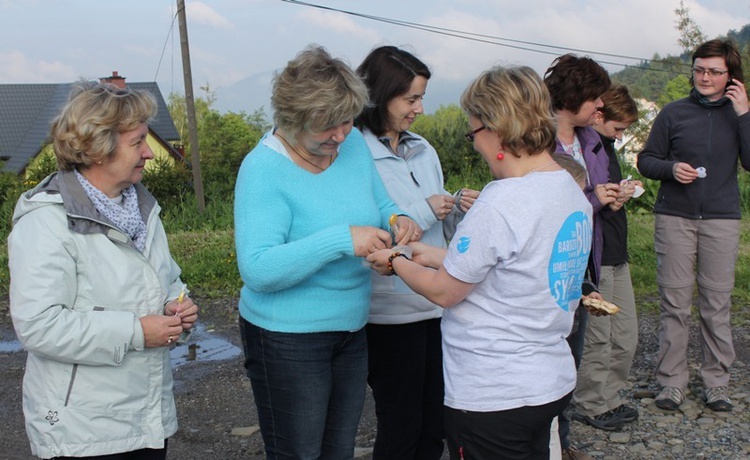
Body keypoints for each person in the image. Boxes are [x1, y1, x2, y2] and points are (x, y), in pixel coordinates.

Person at [367, 65, 593, 460]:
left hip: (494, 395)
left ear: (496, 128)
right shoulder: (569, 188)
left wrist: (398, 260)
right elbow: (516, 265)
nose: (474, 144)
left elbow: (444, 291)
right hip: (549, 380)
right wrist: (433, 255)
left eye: (473, 132)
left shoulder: (501, 200)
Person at [234, 45, 419, 459]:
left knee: (337, 450)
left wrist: (397, 221)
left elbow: (382, 204)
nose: (340, 135)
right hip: (287, 339)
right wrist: (341, 240)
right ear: (291, 119)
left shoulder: (351, 146)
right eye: (326, 126)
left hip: (351, 329)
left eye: (346, 121)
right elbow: (258, 269)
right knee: (299, 453)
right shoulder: (263, 169)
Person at [8, 82, 199, 459]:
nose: (149, 153)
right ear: (98, 147)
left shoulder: (141, 208)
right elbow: (38, 325)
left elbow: (164, 277)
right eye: (138, 142)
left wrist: (176, 304)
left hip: (145, 418)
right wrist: (136, 331)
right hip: (82, 431)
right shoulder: (46, 221)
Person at [355, 45, 478, 460]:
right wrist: (424, 210)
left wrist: (458, 208)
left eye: (422, 97)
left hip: (436, 305)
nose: (419, 109)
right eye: (411, 99)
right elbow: (368, 228)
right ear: (379, 95)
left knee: (435, 421)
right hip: (389, 311)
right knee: (400, 422)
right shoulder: (354, 152)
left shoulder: (423, 148)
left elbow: (439, 232)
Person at [637, 39, 750, 413]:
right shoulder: (673, 113)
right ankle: (671, 383)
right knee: (674, 303)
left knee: (716, 305)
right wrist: (671, 169)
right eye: (699, 69)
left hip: (721, 219)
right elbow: (646, 161)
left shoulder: (740, 114)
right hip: (675, 218)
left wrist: (745, 112)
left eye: (714, 71)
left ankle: (717, 382)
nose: (704, 77)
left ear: (730, 76)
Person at [544, 53, 614, 460]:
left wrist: (609, 197)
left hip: (582, 263)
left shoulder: (592, 142)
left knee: (571, 359)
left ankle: (563, 443)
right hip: (550, 265)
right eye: (595, 99)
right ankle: (544, 441)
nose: (601, 107)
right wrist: (592, 200)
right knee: (550, 356)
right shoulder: (536, 138)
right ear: (574, 96)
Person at [573, 84, 642, 431]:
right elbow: (577, 201)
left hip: (617, 250)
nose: (619, 135)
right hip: (595, 256)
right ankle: (590, 402)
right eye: (618, 128)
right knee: (598, 335)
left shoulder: (607, 148)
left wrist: (621, 192)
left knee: (625, 334)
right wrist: (603, 198)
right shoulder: (580, 148)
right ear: (599, 115)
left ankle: (610, 398)